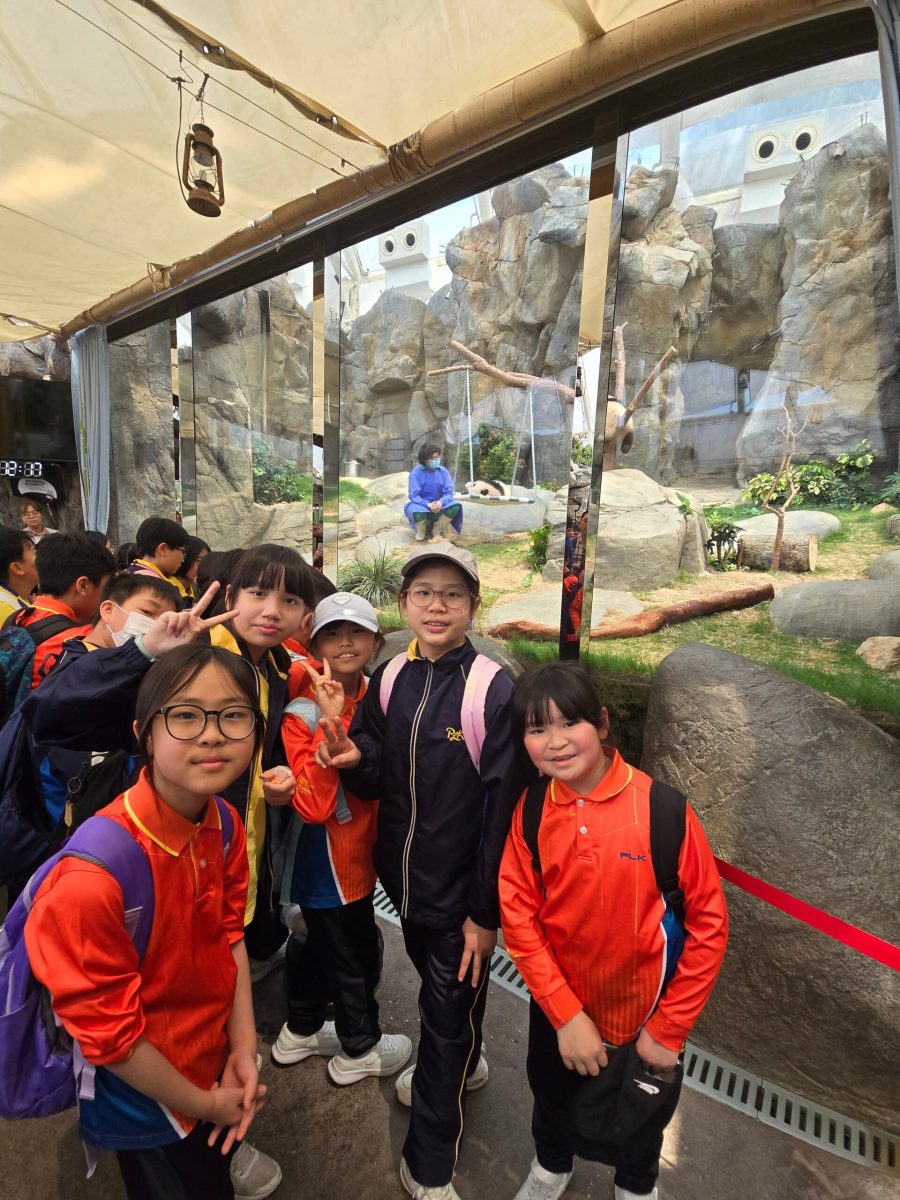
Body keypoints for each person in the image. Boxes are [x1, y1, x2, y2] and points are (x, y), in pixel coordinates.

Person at [317, 542, 531, 1200]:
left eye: (453, 594)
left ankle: (429, 1165)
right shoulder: (391, 676)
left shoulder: (491, 689)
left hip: (460, 895)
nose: (437, 606)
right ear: (404, 602)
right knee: (452, 1007)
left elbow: (505, 815)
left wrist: (484, 915)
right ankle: (468, 1062)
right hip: (404, 885)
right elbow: (378, 768)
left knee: (440, 1024)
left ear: (473, 605)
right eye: (424, 593)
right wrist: (353, 757)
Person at [24, 644, 271, 1200]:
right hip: (147, 1097)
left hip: (209, 1058)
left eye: (234, 715)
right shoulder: (92, 879)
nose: (212, 735)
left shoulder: (223, 823)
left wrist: (242, 1047)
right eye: (185, 715)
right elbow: (110, 1039)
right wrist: (206, 1104)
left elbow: (229, 936)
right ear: (145, 734)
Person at [499, 663, 728, 1200]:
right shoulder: (531, 810)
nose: (556, 742)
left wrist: (669, 1028)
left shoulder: (663, 811)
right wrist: (563, 1013)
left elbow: (710, 925)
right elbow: (518, 913)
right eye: (537, 729)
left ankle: (636, 1185)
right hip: (558, 1008)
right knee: (550, 1097)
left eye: (569, 723)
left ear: (601, 723)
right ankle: (551, 1166)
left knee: (642, 1116)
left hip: (642, 1016)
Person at [272, 592, 412, 1083]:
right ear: (314, 646)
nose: (346, 642)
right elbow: (312, 807)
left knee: (319, 944)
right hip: (327, 860)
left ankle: (301, 1029)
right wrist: (330, 724)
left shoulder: (378, 695)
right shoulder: (302, 713)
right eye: (332, 633)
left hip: (361, 852)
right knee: (354, 955)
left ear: (376, 641)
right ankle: (359, 1048)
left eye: (357, 632)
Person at [18, 532, 115, 687]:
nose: (107, 597)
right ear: (83, 586)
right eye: (106, 588)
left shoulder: (18, 617)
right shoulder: (81, 642)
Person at [403, 443, 463, 543]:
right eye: (432, 458)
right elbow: (414, 496)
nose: (436, 460)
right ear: (424, 459)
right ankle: (421, 531)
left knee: (456, 506)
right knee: (414, 510)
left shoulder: (443, 471)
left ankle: (437, 529)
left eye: (437, 457)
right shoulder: (416, 473)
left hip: (440, 506)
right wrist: (428, 504)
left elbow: (449, 492)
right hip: (422, 506)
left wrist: (440, 502)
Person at [128, 517, 191, 601]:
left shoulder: (130, 575)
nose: (183, 559)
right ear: (163, 549)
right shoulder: (152, 586)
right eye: (182, 552)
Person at [0, 527, 38, 624]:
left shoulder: (23, 598)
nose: (43, 558)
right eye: (35, 553)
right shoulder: (5, 608)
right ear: (17, 568)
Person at [176, 536, 211, 605]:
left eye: (206, 561)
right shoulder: (167, 591)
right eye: (199, 560)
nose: (204, 566)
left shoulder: (191, 592)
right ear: (184, 559)